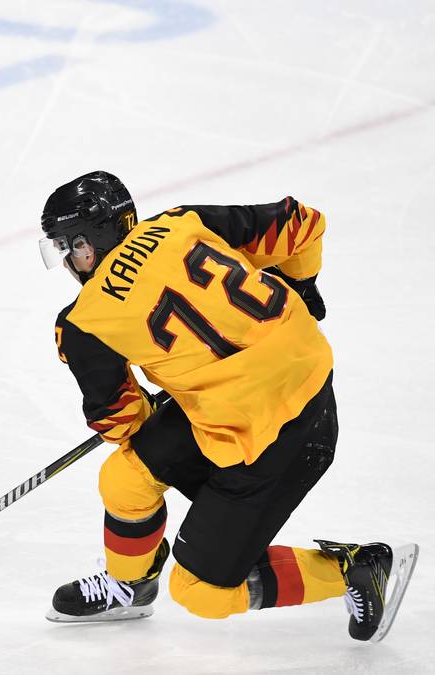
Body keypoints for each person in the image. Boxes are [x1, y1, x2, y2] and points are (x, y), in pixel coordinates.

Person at [37, 171, 416, 641]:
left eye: (70, 247)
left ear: (90, 242)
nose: (69, 262)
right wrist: (302, 288)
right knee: (126, 480)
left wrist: (153, 404)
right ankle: (129, 586)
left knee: (200, 591)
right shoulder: (181, 222)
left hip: (278, 439)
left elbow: (121, 422)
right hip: (300, 377)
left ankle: (356, 567)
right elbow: (301, 223)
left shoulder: (82, 323)